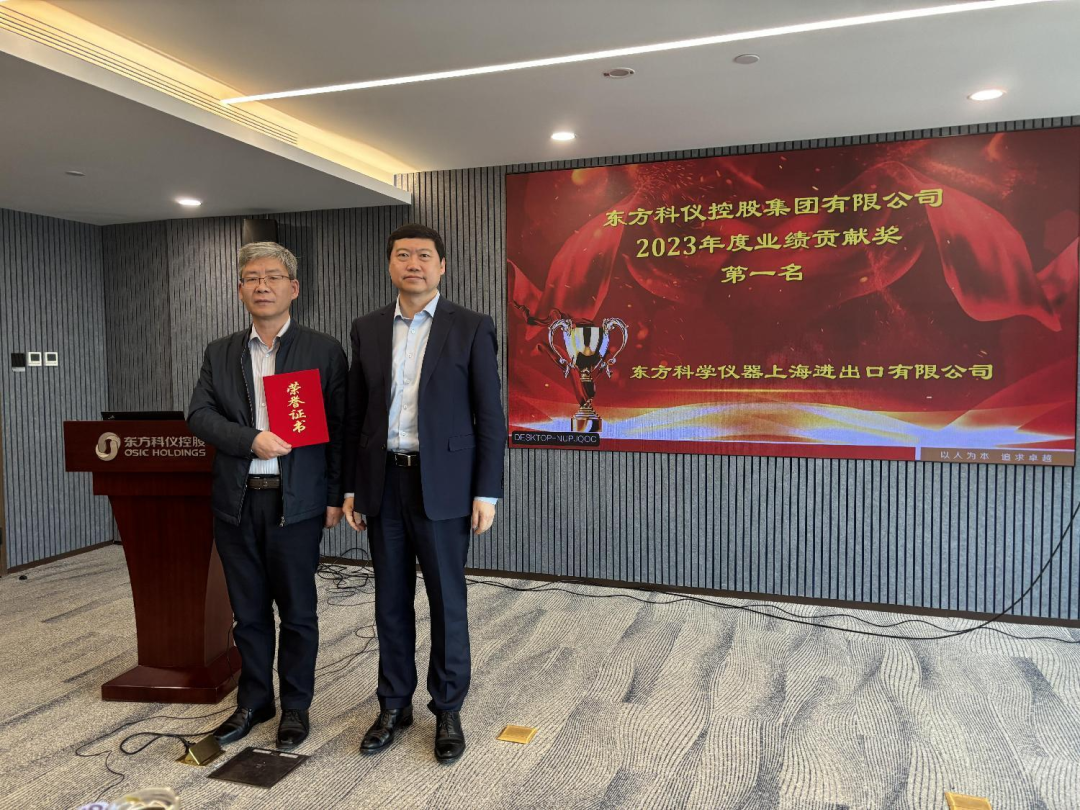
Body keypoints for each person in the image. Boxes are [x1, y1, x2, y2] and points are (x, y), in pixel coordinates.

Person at [342, 223, 505, 763]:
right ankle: (394, 704)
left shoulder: (471, 326)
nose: (413, 264)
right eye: (403, 255)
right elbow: (356, 415)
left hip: (445, 485)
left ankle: (448, 707)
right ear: (390, 264)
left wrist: (486, 491)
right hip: (383, 482)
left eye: (424, 256)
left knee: (446, 601)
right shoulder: (367, 328)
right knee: (389, 601)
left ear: (441, 267)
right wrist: (351, 487)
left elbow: (490, 416)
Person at [188, 241, 347, 750]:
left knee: (298, 612)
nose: (262, 286)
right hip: (236, 501)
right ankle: (255, 700)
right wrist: (249, 438)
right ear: (240, 290)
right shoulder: (220, 352)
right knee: (249, 611)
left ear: (293, 288)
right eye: (252, 278)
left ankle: (296, 705)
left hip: (294, 501)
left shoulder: (323, 350)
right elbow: (199, 415)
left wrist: (334, 495)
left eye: (273, 277)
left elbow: (340, 429)